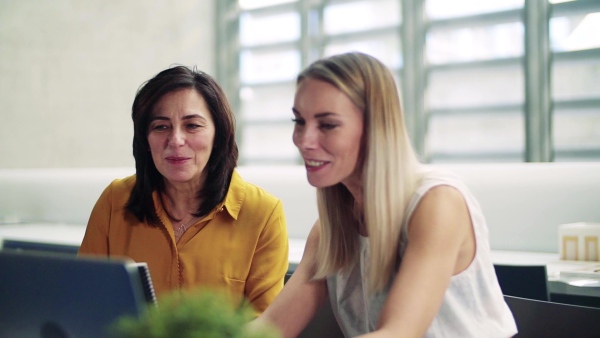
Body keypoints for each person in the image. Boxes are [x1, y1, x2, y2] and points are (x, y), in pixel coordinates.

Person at [254, 52, 518, 337]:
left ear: (375, 126)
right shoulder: (330, 231)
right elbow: (270, 331)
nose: (304, 141)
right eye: (299, 121)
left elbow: (399, 332)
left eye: (327, 124)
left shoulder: (437, 203)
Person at [78, 65, 289, 315]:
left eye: (192, 126)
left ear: (218, 135)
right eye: (161, 127)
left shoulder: (263, 213)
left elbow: (267, 326)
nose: (176, 140)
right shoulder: (115, 200)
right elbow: (85, 302)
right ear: (145, 139)